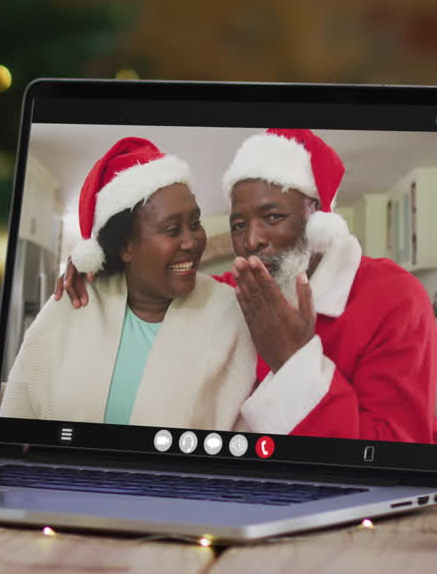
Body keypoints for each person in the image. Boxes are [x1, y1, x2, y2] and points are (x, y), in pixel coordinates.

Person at [57, 129, 437, 443]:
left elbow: (397, 450)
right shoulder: (231, 294)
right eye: (238, 224)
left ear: (319, 218)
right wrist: (101, 267)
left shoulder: (395, 298)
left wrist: (293, 362)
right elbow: (156, 289)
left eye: (272, 216)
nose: (252, 239)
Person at [0, 137, 256, 429]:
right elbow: (16, 420)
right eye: (172, 230)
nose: (191, 242)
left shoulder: (228, 312)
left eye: (195, 224)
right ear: (125, 247)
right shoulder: (72, 306)